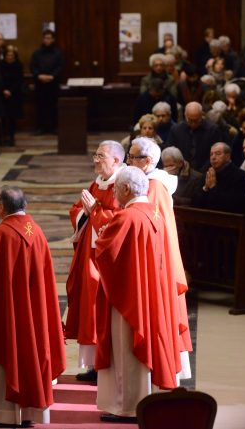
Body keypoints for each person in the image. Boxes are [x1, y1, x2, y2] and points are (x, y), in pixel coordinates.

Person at [0, 185, 66, 426]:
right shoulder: (37, 232)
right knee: (32, 354)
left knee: (3, 356)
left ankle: (1, 415)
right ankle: (30, 413)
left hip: (7, 314)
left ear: (1, 207)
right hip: (33, 313)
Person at [94, 166, 180, 422]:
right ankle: (145, 401)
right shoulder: (154, 213)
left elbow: (105, 252)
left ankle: (129, 407)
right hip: (150, 292)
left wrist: (100, 233)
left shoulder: (126, 217)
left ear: (126, 189)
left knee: (126, 350)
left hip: (129, 297)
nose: (113, 194)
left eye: (115, 189)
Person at [127, 137, 191, 380]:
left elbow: (148, 228)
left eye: (133, 157)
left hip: (157, 263)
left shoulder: (154, 187)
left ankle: (160, 365)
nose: (128, 161)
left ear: (148, 161)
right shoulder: (146, 182)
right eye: (128, 156)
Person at [65, 141, 125, 383]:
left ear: (116, 160)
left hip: (109, 261)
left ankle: (107, 363)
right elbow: (77, 209)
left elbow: (122, 221)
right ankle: (93, 365)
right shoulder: (97, 183)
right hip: (89, 256)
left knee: (102, 310)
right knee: (89, 308)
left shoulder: (123, 185)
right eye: (95, 155)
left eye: (101, 156)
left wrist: (95, 212)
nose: (95, 160)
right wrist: (86, 212)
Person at [192, 142, 245, 213]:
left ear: (228, 157)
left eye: (218, 154)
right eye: (211, 154)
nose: (213, 157)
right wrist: (205, 188)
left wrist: (213, 187)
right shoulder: (207, 174)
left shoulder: (240, 176)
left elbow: (231, 206)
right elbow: (194, 204)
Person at [30, 30, 64, 135]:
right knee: (41, 106)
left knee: (53, 106)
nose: (47, 40)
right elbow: (33, 66)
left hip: (53, 84)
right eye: (45, 38)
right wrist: (39, 75)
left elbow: (60, 66)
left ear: (53, 39)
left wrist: (52, 76)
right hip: (40, 84)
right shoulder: (37, 53)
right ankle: (41, 128)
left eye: (49, 38)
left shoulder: (58, 53)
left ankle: (54, 127)